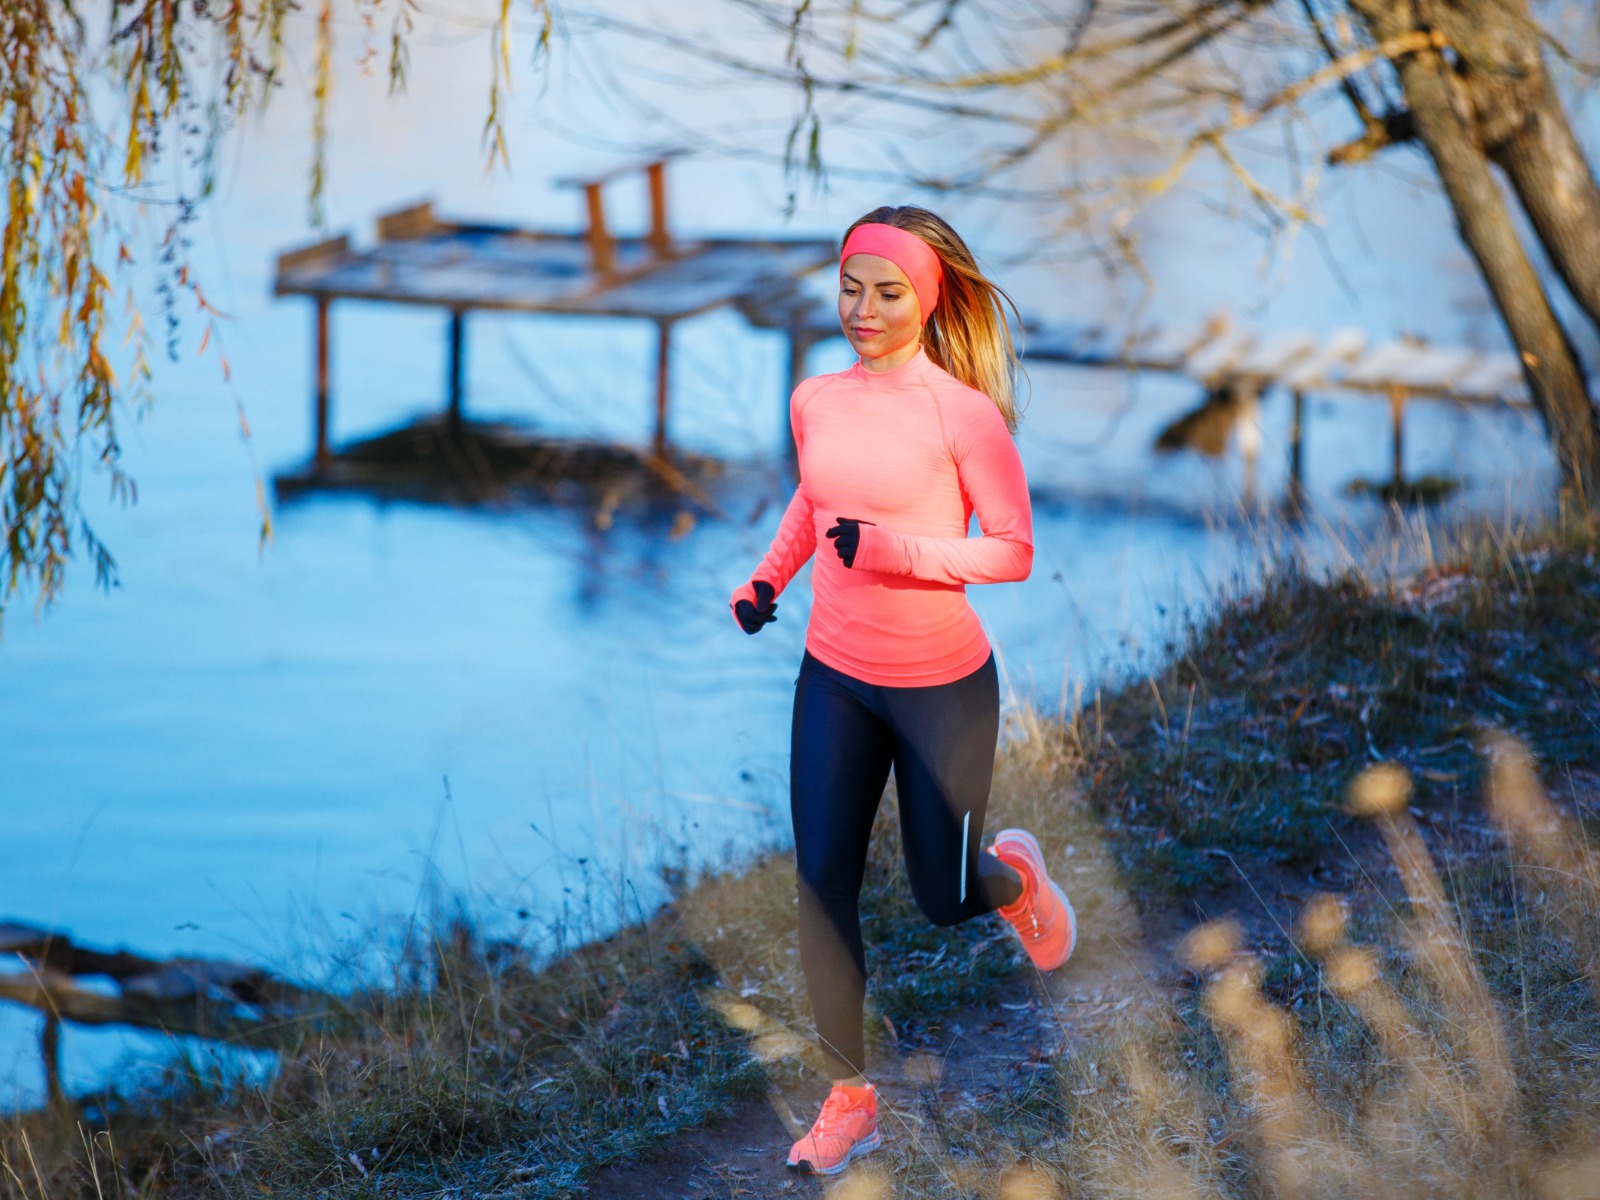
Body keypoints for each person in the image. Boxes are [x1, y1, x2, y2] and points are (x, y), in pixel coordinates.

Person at [728, 206, 1077, 1177]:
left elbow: (1011, 549)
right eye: (849, 288)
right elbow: (813, 499)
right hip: (833, 677)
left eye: (886, 292)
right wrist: (767, 580)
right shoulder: (815, 399)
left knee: (942, 893)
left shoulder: (960, 415)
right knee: (820, 884)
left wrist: (896, 550)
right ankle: (849, 1099)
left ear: (925, 300)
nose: (863, 309)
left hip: (940, 687)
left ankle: (1013, 881)